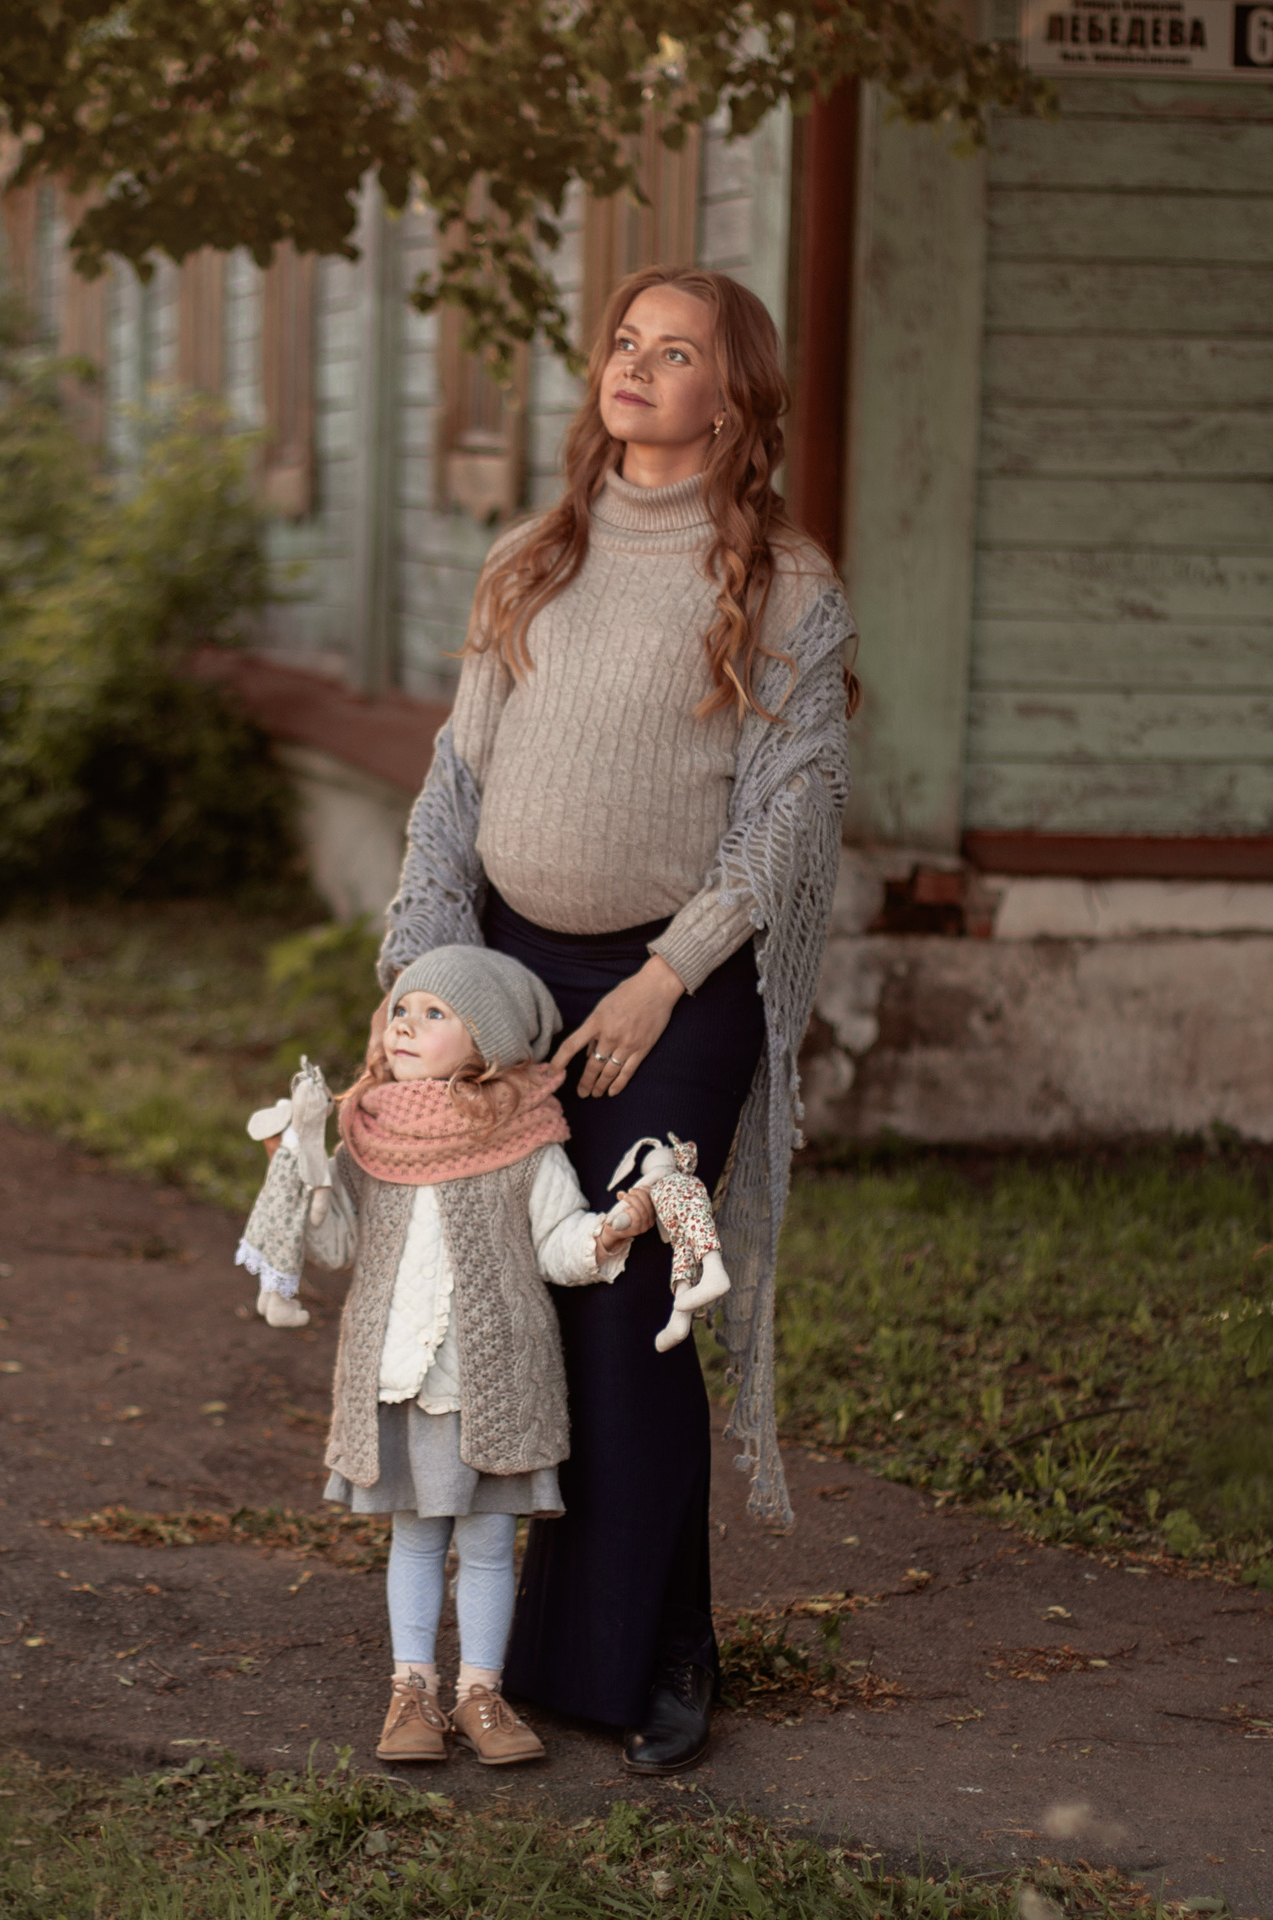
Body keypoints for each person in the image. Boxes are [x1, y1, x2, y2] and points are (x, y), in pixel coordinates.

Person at [378, 264, 858, 1773]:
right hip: (512, 975)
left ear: (736, 396)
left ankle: (660, 1661)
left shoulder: (788, 586)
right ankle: (552, 1652)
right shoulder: (531, 559)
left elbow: (782, 824)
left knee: (631, 1306)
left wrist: (668, 974)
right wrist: (430, 979)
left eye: (678, 351)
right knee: (503, 1298)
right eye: (623, 343)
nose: (635, 366)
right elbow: (458, 788)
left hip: (679, 990)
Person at [234, 945, 651, 1765]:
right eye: (401, 1010)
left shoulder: (528, 1142)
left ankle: (480, 1694)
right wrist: (306, 1172)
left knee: (490, 1545)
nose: (407, 1027)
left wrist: (609, 1230)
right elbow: (338, 1243)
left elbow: (556, 1245)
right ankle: (412, 1691)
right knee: (418, 1539)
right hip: (400, 1380)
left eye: (435, 1015)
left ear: (486, 1042)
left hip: (492, 1382)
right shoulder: (371, 1133)